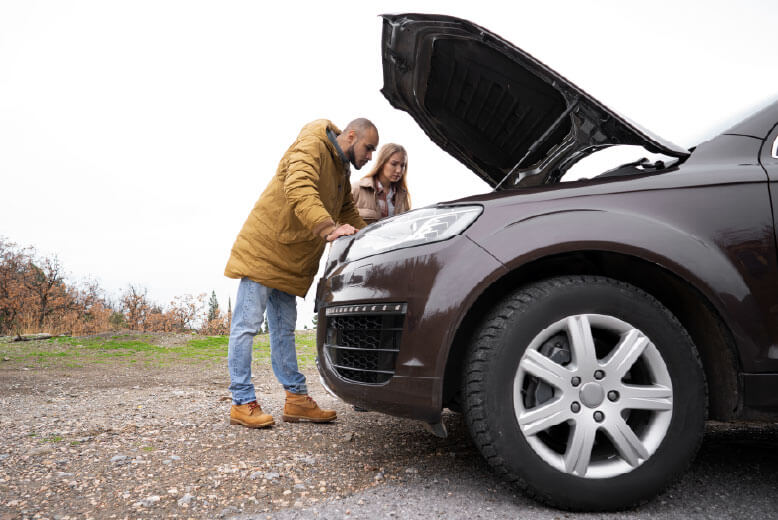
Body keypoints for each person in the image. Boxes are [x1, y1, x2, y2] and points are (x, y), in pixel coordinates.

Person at [224, 118, 378, 428]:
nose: (371, 156)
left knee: (283, 330)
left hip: (291, 259)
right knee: (246, 326)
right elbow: (299, 186)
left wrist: (375, 240)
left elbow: (346, 210)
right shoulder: (313, 144)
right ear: (351, 136)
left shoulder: (340, 167)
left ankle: (295, 399)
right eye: (369, 148)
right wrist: (328, 228)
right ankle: (241, 402)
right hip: (265, 249)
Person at [351, 143, 411, 224]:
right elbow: (338, 222)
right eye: (394, 164)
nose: (399, 170)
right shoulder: (357, 189)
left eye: (402, 165)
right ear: (382, 163)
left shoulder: (402, 195)